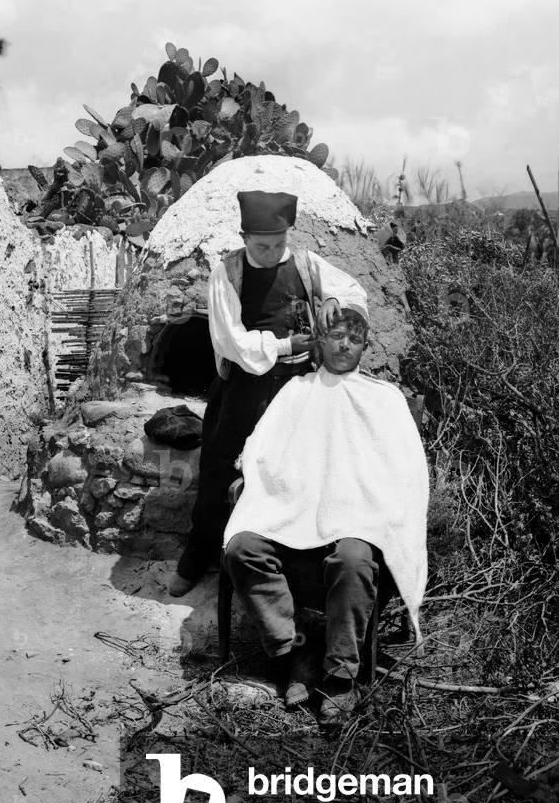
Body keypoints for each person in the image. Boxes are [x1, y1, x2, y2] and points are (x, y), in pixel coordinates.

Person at [222, 308, 429, 725]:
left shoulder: (383, 399)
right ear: (321, 340)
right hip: (295, 509)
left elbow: (406, 467)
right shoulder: (298, 391)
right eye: (335, 336)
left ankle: (339, 677)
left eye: (353, 340)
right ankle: (296, 651)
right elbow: (265, 446)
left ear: (365, 347)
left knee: (353, 559)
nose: (343, 345)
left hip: (359, 515)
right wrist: (255, 472)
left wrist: (379, 507)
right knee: (242, 546)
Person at [168, 189, 367, 597]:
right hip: (245, 389)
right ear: (244, 237)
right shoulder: (227, 273)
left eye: (279, 242)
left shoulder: (307, 263)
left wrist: (332, 299)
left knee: (296, 471)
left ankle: (286, 565)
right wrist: (283, 346)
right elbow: (232, 343)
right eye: (262, 244)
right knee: (221, 471)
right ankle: (198, 556)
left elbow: (354, 293)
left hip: (298, 391)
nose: (272, 250)